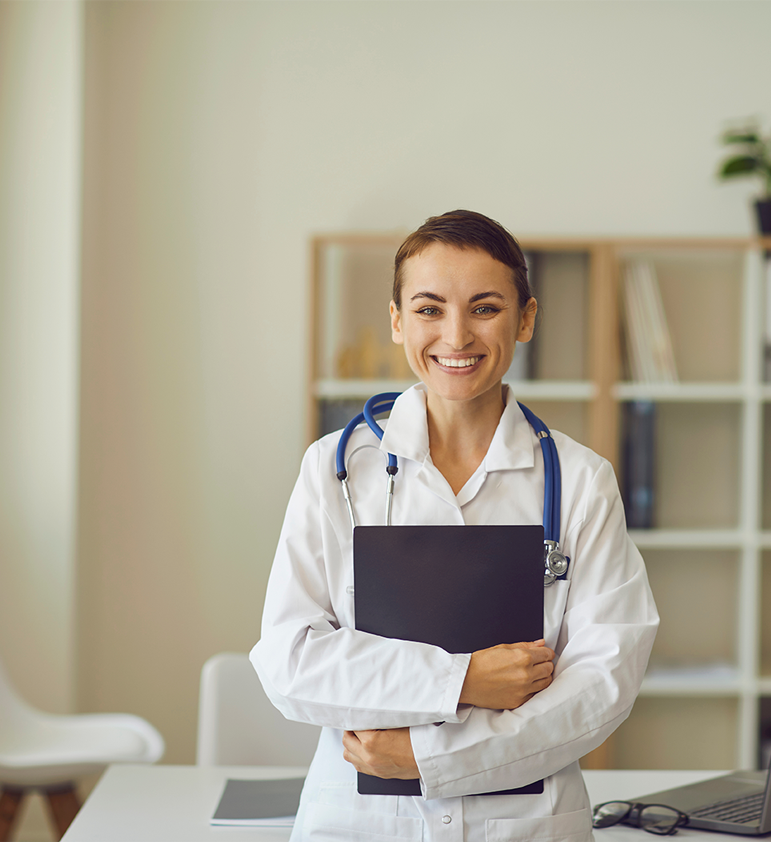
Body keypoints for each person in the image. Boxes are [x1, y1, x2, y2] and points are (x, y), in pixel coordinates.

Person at [250, 209, 659, 841]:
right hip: (361, 821)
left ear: (525, 319)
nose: (457, 335)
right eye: (429, 309)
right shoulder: (335, 470)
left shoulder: (579, 480)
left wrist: (431, 759)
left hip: (524, 824)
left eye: (486, 308)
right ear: (396, 321)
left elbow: (603, 682)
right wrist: (464, 679)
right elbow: (290, 661)